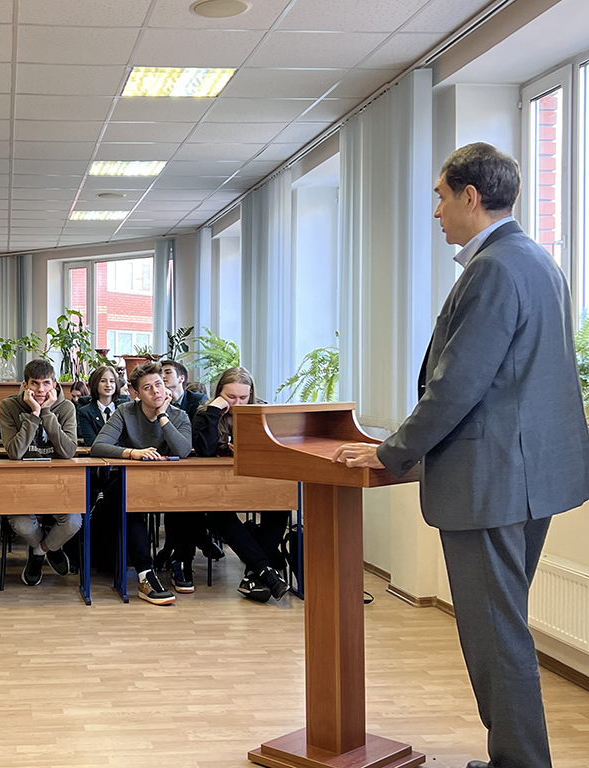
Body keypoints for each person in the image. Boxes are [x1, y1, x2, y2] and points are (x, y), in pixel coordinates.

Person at [332, 143, 589, 768]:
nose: (437, 212)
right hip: (531, 477)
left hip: (492, 482)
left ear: (470, 197)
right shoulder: (539, 261)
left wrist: (390, 454)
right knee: (504, 626)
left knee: (495, 635)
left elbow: (457, 385)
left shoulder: (494, 268)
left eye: (441, 197)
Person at [90, 361, 192, 606]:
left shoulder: (179, 415)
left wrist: (163, 416)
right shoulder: (125, 411)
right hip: (127, 481)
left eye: (159, 384)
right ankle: (146, 574)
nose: (156, 391)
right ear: (136, 393)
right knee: (130, 503)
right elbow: (98, 446)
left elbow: (183, 450)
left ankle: (179, 563)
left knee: (188, 498)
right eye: (148, 388)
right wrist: (131, 453)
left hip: (166, 483)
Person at [191, 367, 290, 602]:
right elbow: (204, 452)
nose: (237, 403)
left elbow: (277, 450)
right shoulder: (205, 414)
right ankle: (266, 572)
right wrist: (214, 411)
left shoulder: (263, 412)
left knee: (280, 508)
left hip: (256, 482)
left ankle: (255, 576)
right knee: (219, 513)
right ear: (219, 393)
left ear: (251, 394)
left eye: (243, 397)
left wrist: (252, 452)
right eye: (230, 397)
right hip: (218, 486)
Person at [0, 359, 80, 586]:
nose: (41, 390)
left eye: (46, 383)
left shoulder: (66, 408)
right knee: (21, 523)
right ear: (25, 385)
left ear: (54, 384)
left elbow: (68, 451)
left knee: (73, 522)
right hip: (22, 485)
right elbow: (15, 452)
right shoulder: (9, 407)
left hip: (59, 484)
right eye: (35, 383)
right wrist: (35, 414)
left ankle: (39, 551)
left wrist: (46, 412)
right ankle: (51, 547)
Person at [156, 357, 217, 586]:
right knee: (178, 499)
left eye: (167, 372)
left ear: (181, 378)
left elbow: (190, 438)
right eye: (160, 373)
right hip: (167, 464)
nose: (163, 376)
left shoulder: (196, 401)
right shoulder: (155, 402)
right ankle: (196, 541)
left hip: (194, 465)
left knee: (187, 498)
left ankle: (177, 552)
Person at [76, 365, 123, 445]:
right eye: (103, 381)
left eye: (112, 381)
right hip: (98, 452)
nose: (108, 385)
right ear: (95, 384)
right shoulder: (85, 412)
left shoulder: (124, 408)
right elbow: (92, 442)